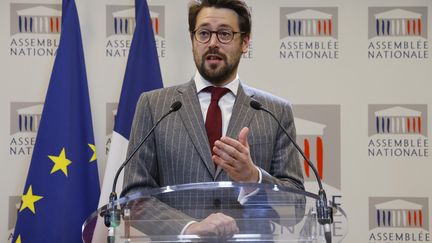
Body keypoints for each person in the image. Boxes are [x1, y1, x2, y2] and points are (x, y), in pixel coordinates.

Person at [122, 0, 304, 238]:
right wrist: (189, 228)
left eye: (225, 34)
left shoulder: (275, 111)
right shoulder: (154, 106)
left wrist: (253, 179)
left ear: (245, 42)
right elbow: (135, 197)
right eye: (204, 33)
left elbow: (296, 206)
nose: (213, 43)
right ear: (192, 40)